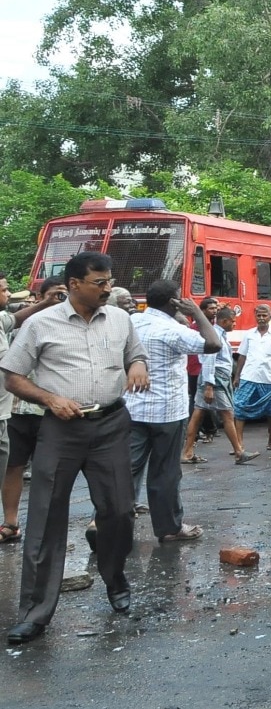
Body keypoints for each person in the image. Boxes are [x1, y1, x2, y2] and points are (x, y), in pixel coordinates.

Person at [1, 252, 149, 645]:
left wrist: (137, 365)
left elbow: (135, 353)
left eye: (109, 281)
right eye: (98, 283)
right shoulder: (39, 324)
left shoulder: (119, 317)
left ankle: (114, 576)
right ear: (73, 285)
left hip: (112, 425)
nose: (107, 289)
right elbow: (13, 377)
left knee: (119, 509)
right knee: (46, 517)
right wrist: (50, 399)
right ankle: (35, 613)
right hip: (61, 428)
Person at [129, 280, 219, 543]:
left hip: (133, 408)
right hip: (166, 411)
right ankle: (169, 527)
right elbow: (213, 344)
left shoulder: (132, 322)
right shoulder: (172, 329)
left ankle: (104, 522)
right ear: (174, 302)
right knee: (165, 472)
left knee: (127, 469)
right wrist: (197, 313)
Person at [0, 276, 68, 544]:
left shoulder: (72, 326)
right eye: (54, 295)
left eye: (63, 294)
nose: (59, 300)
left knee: (49, 469)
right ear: (41, 298)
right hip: (18, 409)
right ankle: (11, 522)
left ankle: (46, 528)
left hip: (52, 410)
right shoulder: (24, 327)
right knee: (13, 467)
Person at [179, 302, 257, 465]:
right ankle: (238, 452)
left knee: (199, 412)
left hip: (215, 378)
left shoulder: (219, 334)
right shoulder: (214, 334)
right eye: (232, 321)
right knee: (227, 413)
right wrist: (208, 385)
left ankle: (187, 451)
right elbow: (208, 360)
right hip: (214, 379)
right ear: (224, 321)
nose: (234, 324)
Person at [232, 305, 271, 449]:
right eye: (259, 316)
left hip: (268, 378)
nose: (261, 318)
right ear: (255, 316)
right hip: (248, 377)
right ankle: (238, 443)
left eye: (264, 316)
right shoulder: (249, 334)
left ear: (269, 316)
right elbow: (242, 356)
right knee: (240, 407)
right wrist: (237, 376)